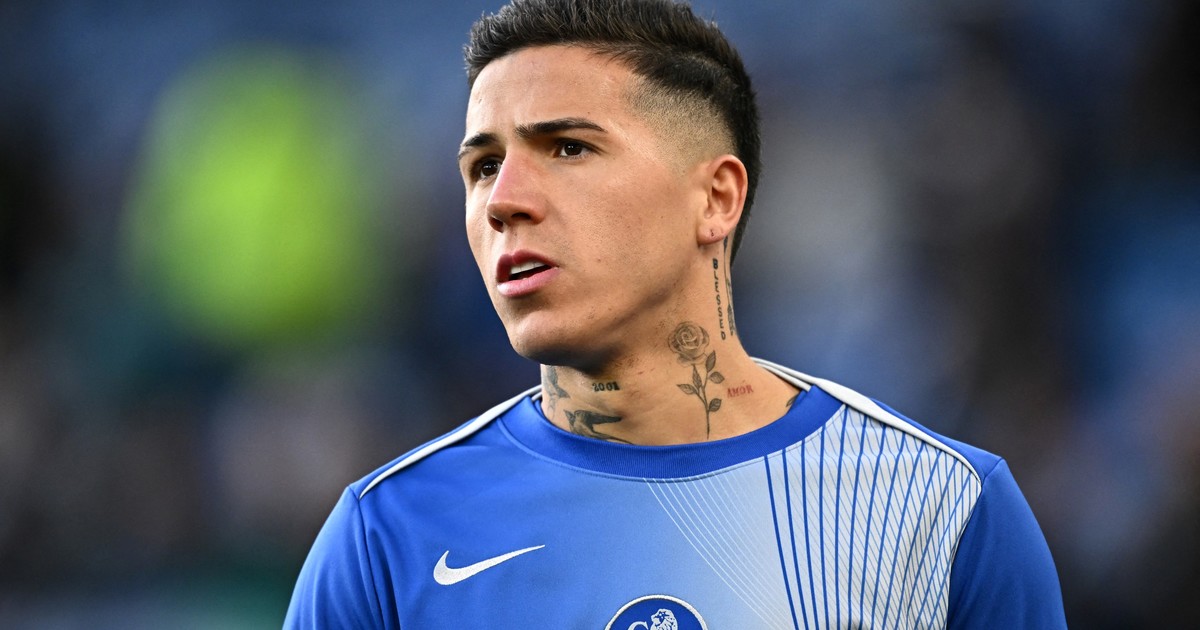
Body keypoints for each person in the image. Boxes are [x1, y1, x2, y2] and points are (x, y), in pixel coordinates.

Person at [284, 0, 1067, 627]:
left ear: (716, 198)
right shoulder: (388, 536)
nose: (504, 201)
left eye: (568, 148)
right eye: (483, 166)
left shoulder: (942, 512)